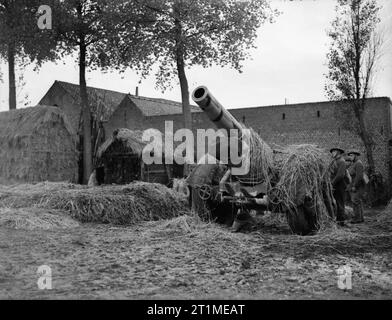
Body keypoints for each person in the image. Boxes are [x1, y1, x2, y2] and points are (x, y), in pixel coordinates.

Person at [330, 147, 347, 225]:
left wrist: (332, 183)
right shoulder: (335, 161)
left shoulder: (342, 161)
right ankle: (338, 219)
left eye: (334, 152)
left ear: (339, 153)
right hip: (335, 185)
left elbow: (340, 175)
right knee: (337, 202)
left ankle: (341, 221)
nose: (332, 153)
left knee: (340, 203)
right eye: (332, 152)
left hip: (340, 185)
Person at [347, 150, 366, 224]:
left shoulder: (358, 164)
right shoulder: (354, 163)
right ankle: (360, 218)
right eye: (350, 155)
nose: (350, 157)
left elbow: (359, 176)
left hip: (358, 185)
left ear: (356, 155)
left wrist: (355, 186)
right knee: (357, 201)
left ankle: (357, 218)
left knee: (355, 200)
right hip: (354, 184)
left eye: (351, 155)